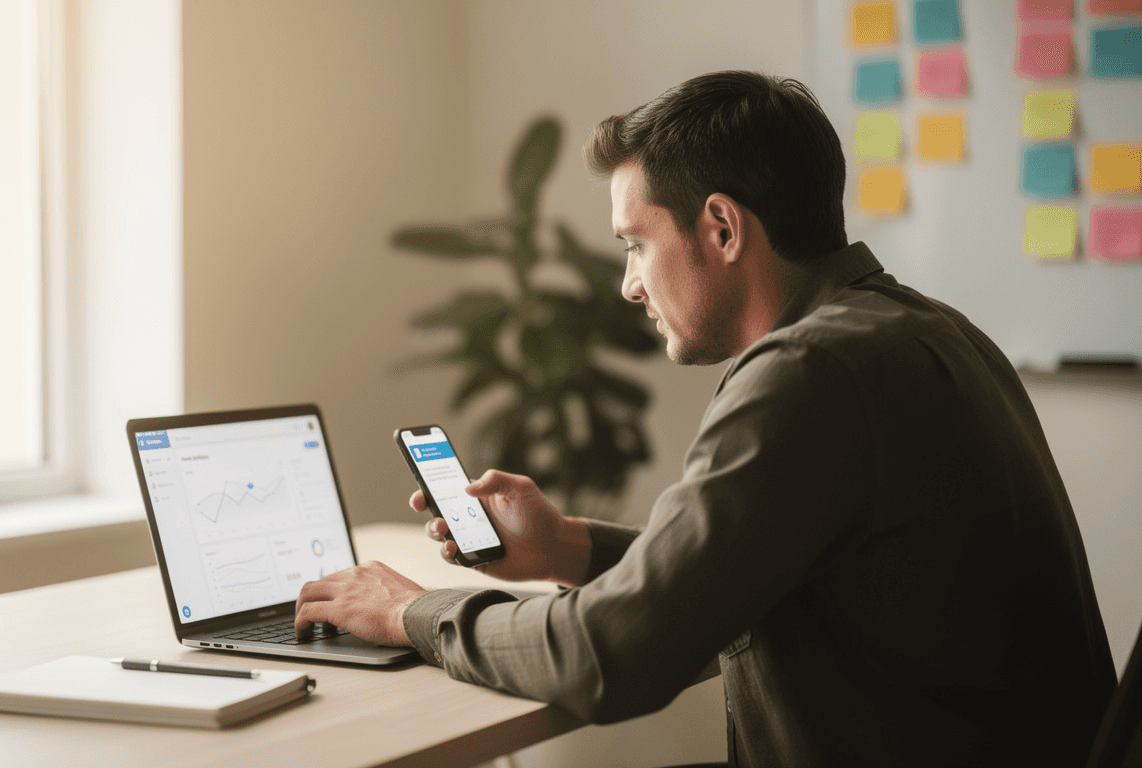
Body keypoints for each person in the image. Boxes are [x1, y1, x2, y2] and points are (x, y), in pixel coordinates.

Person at [295, 71, 1118, 766]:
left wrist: (410, 612)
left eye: (635, 244)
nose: (628, 284)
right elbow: (754, 575)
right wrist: (568, 546)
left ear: (721, 228)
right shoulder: (929, 333)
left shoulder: (808, 374)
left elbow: (613, 656)